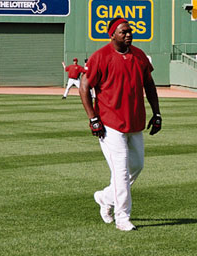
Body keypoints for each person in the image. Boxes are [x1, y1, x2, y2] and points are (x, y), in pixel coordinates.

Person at [79, 18, 162, 231]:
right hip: (110, 123)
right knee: (121, 171)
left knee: (137, 165)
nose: (128, 34)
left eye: (129, 31)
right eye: (123, 32)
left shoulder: (139, 55)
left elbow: (150, 85)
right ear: (112, 34)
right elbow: (84, 87)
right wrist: (93, 118)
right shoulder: (101, 56)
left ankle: (105, 197)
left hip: (135, 122)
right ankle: (122, 218)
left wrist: (157, 113)